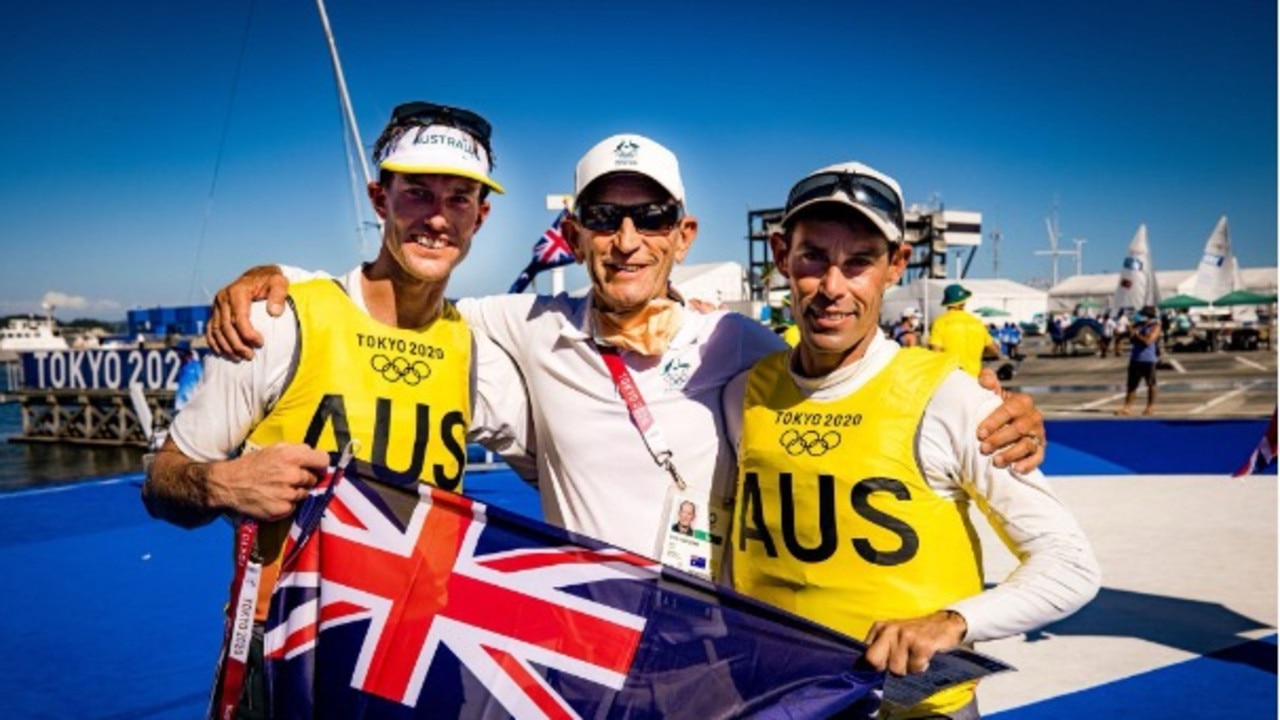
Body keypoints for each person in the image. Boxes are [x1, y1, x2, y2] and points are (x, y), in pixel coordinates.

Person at [204, 134, 1049, 581]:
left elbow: (847, 383)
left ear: (684, 236)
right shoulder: (521, 327)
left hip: (725, 643)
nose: (628, 238)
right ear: (573, 235)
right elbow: (406, 302)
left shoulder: (744, 346)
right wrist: (284, 277)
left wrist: (983, 406)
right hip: (583, 643)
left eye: (651, 217)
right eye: (605, 219)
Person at [141, 101, 529, 718]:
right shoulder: (281, 319)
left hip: (416, 651)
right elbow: (161, 482)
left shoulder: (476, 347)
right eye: (417, 193)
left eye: (459, 199)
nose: (436, 218)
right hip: (285, 644)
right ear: (380, 199)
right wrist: (221, 483)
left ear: (481, 217)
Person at [724, 162, 1100, 720]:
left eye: (859, 262)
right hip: (778, 699)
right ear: (781, 256)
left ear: (896, 265)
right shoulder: (742, 392)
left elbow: (1070, 564)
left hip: (913, 707)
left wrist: (952, 622)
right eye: (813, 258)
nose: (833, 287)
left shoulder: (951, 399)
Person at [928, 283, 1000, 377]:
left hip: (951, 378)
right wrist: (977, 355)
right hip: (974, 378)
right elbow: (995, 351)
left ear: (947, 303)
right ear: (964, 302)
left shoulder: (940, 323)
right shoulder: (977, 322)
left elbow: (935, 353)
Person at [1117, 305, 1161, 416]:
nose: (1141, 316)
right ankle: (1127, 407)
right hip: (1135, 358)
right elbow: (1131, 338)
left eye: (1144, 315)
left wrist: (1135, 334)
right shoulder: (1139, 325)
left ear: (1149, 316)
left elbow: (1148, 341)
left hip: (1148, 359)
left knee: (1151, 384)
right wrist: (1127, 330)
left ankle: (1150, 407)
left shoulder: (1155, 326)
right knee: (1132, 385)